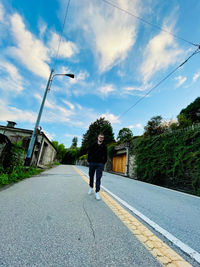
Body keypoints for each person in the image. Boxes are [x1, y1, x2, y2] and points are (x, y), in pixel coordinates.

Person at [87, 133, 107, 200]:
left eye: (102, 137)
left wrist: (103, 162)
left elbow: (105, 155)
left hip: (100, 164)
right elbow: (89, 153)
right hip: (92, 163)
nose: (101, 138)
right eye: (100, 137)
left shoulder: (104, 146)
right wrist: (89, 161)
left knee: (98, 177)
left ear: (103, 139)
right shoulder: (93, 145)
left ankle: (97, 192)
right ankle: (91, 187)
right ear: (98, 138)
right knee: (91, 175)